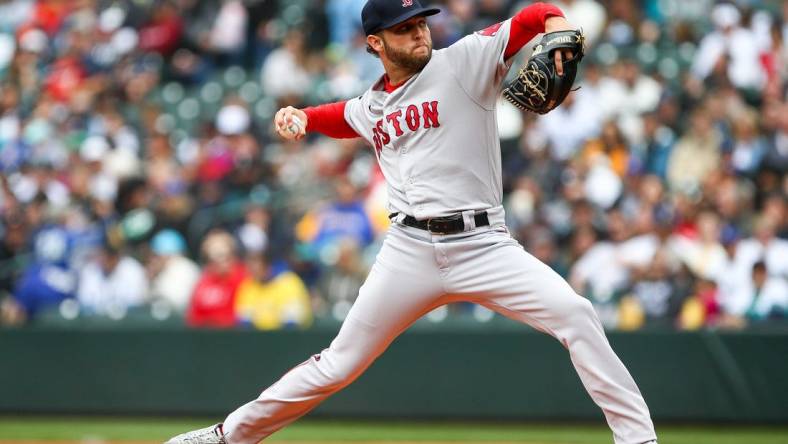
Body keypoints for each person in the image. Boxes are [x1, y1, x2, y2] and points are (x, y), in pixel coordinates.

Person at [167, 1, 658, 443]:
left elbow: (537, 13)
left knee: (576, 314)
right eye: (404, 28)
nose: (420, 33)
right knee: (339, 363)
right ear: (375, 43)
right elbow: (346, 114)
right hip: (408, 251)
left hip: (484, 243)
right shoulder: (374, 104)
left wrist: (559, 28)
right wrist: (304, 117)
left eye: (421, 22)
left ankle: (638, 439)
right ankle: (227, 436)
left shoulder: (465, 60)